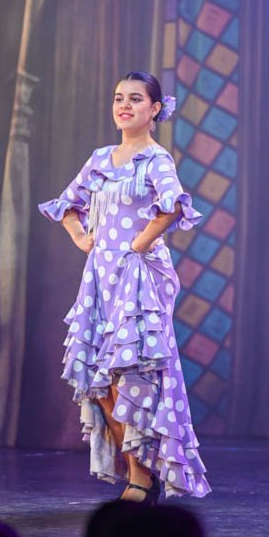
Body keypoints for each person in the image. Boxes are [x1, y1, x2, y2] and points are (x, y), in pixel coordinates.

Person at [38, 70, 211, 503]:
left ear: (155, 109)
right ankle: (140, 471)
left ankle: (142, 479)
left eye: (135, 98)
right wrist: (82, 238)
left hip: (139, 279)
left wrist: (139, 242)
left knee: (129, 374)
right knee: (98, 381)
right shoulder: (100, 158)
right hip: (101, 277)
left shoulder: (156, 160)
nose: (125, 105)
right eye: (119, 98)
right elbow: (67, 205)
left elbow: (173, 207)